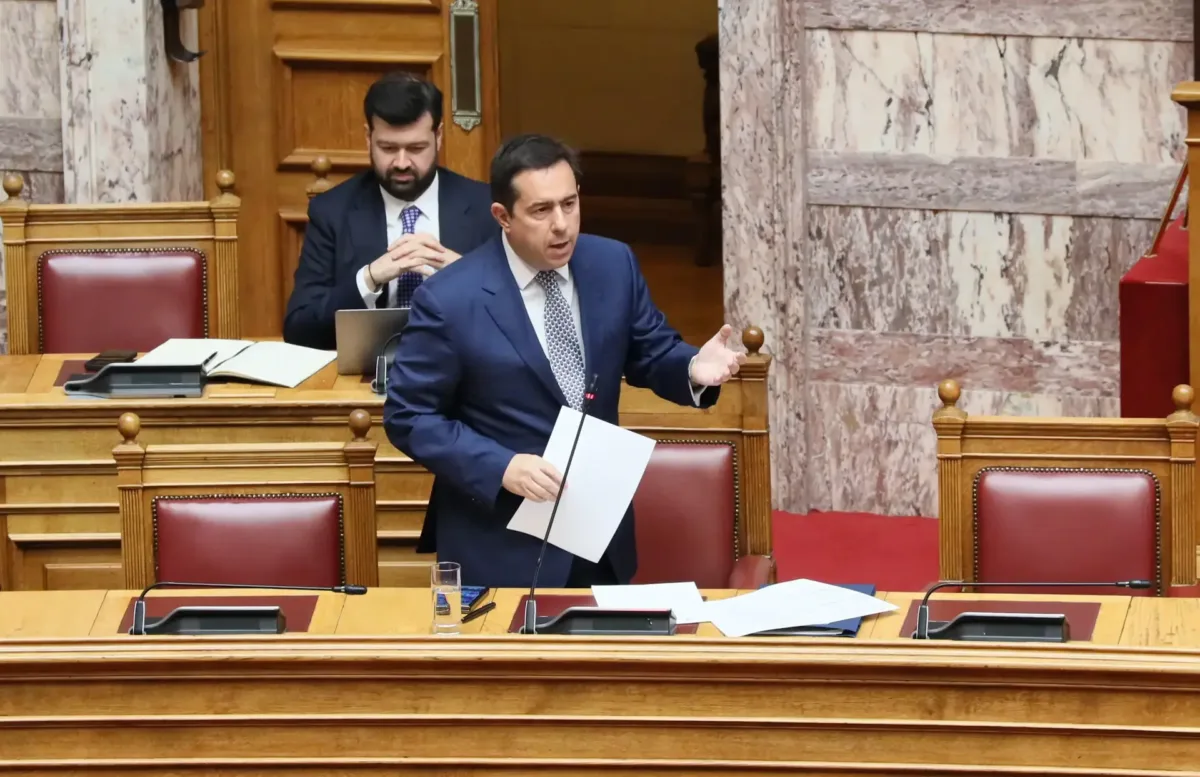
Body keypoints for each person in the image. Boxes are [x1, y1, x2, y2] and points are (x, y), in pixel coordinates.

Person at [383, 133, 747, 588]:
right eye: (541, 210)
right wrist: (500, 466)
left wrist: (691, 368)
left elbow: (650, 349)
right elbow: (409, 416)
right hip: (501, 543)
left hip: (596, 532)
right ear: (503, 216)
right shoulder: (450, 299)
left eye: (570, 204)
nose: (562, 225)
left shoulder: (612, 264)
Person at [283, 72, 496, 350]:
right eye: (388, 148)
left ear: (439, 136)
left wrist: (468, 276)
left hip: (464, 368)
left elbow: (525, 316)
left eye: (416, 148)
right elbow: (300, 329)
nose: (402, 162)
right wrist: (368, 279)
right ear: (368, 137)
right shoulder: (332, 212)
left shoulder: (486, 206)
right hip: (367, 371)